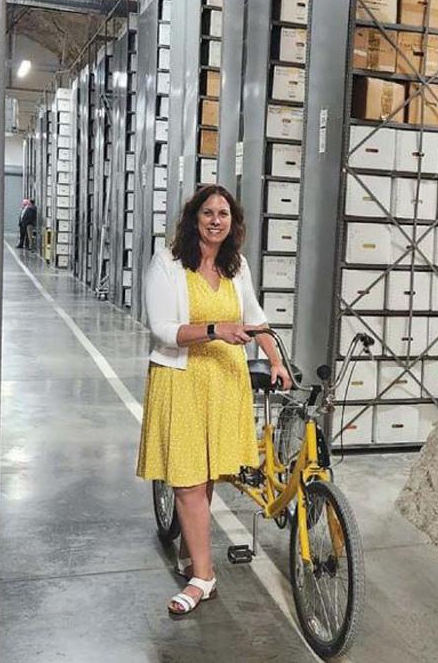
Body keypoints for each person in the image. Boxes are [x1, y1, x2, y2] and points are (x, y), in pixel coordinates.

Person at [136, 184, 291, 617]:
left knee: (204, 478)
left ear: (232, 222)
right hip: (181, 379)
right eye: (208, 212)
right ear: (194, 217)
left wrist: (277, 361)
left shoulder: (235, 265)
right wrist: (214, 330)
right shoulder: (166, 263)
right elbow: (164, 329)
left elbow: (255, 318)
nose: (216, 220)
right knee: (186, 481)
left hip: (225, 380)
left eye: (224, 213)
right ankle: (204, 577)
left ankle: (191, 554)